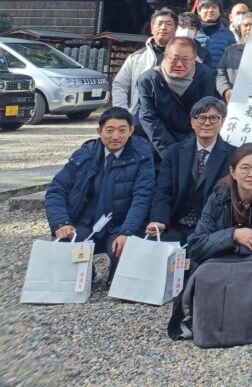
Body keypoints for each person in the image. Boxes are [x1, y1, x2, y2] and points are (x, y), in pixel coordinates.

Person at [178, 143, 252, 334]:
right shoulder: (217, 198)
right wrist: (233, 235)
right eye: (245, 168)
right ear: (232, 171)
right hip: (219, 268)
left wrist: (241, 246)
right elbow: (197, 245)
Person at [45, 107, 156, 268]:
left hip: (120, 224)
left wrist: (127, 232)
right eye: (109, 130)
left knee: (127, 257)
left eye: (122, 130)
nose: (115, 136)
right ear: (99, 131)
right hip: (85, 222)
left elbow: (143, 197)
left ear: (131, 130)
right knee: (65, 248)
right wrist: (61, 223)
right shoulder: (85, 154)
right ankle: (86, 275)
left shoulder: (142, 155)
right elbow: (57, 189)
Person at [146, 97, 233, 242]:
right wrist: (159, 220)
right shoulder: (175, 152)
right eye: (201, 118)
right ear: (192, 122)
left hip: (210, 229)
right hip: (175, 225)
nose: (207, 123)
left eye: (213, 118)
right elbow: (163, 191)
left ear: (222, 122)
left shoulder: (233, 155)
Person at [135, 36, 221, 158]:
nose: (179, 64)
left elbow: (205, 113)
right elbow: (149, 118)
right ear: (165, 56)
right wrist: (169, 152)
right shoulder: (148, 79)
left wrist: (192, 146)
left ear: (194, 59)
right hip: (158, 140)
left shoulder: (204, 75)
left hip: (191, 137)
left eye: (186, 59)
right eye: (174, 59)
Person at [111, 8, 177, 116]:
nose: (163, 28)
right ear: (152, 28)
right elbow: (120, 85)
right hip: (140, 117)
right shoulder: (136, 58)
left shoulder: (185, 58)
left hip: (173, 119)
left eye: (168, 24)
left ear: (175, 29)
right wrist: (123, 114)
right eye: (159, 24)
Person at [215, 13, 252, 102]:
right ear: (240, 28)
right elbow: (220, 74)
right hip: (235, 102)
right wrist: (226, 90)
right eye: (245, 25)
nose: (249, 28)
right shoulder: (230, 50)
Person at [193, 0, 236, 65]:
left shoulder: (228, 35)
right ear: (199, 11)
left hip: (219, 75)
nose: (210, 10)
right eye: (206, 7)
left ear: (220, 12)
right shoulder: (192, 32)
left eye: (214, 7)